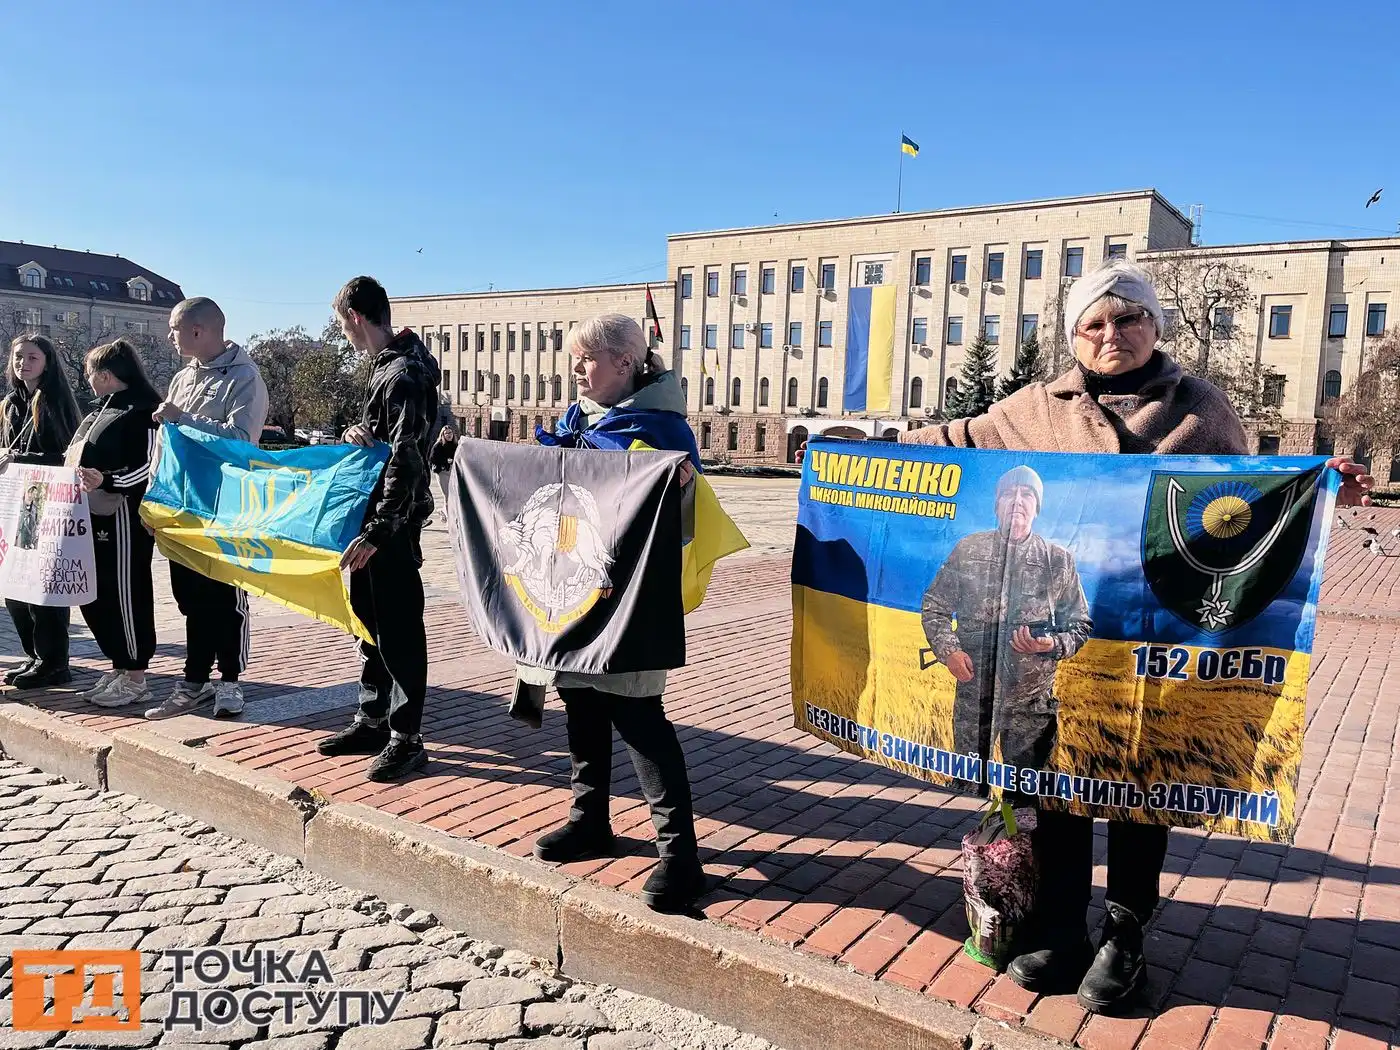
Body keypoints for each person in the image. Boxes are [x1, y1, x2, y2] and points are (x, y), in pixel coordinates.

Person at [898, 259, 1374, 1013]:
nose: (1112, 334)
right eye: (1094, 323)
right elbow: (954, 436)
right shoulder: (1032, 406)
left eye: (1129, 319)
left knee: (1136, 790)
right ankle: (1060, 927)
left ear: (1155, 326)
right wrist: (851, 449)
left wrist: (1321, 480)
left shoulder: (1199, 407)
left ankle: (1125, 939)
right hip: (1057, 647)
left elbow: (1249, 495)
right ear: (1074, 337)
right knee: (1057, 785)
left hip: (1155, 640)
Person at [530, 313, 707, 914]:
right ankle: (589, 820)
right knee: (580, 699)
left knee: (638, 716)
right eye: (575, 359)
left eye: (587, 359)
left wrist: (678, 482)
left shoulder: (661, 428)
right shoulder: (582, 421)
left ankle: (681, 858)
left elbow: (676, 504)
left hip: (632, 596)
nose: (576, 371)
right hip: (576, 588)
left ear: (625, 363)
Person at [317, 277, 438, 782]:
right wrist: (357, 435)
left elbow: (407, 458)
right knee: (370, 626)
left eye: (342, 325)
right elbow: (386, 447)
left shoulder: (406, 373)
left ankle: (407, 738)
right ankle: (373, 718)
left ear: (354, 318)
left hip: (388, 529)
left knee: (398, 631)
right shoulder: (387, 368)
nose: (343, 334)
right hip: (371, 521)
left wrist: (380, 531)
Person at [920, 465, 1091, 777]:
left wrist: (1052, 643)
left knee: (1026, 783)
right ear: (997, 504)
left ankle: (1015, 825)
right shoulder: (969, 549)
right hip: (976, 696)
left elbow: (1080, 624)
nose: (1017, 501)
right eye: (1009, 494)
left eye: (1026, 494)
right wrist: (950, 653)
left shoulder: (1058, 559)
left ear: (1036, 507)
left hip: (1032, 701)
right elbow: (935, 606)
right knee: (971, 778)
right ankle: (985, 825)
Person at [145, 297, 269, 720]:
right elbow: (165, 445)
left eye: (174, 328)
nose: (169, 336)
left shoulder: (245, 377)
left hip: (225, 505)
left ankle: (231, 681)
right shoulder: (182, 377)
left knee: (225, 596)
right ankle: (193, 681)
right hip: (182, 505)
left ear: (198, 330)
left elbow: (241, 440)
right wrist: (153, 500)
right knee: (190, 598)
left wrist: (184, 419)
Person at [67, 340, 161, 708]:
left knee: (126, 590)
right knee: (97, 590)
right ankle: (120, 665)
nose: (88, 381)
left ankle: (136, 673)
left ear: (106, 375)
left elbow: (147, 467)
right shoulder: (104, 409)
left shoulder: (143, 411)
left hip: (123, 515)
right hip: (90, 513)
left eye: (90, 374)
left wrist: (107, 480)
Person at [1, 335, 81, 688]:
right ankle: (34, 654)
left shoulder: (54, 400)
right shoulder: (10, 403)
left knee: (42, 588)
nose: (24, 364)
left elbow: (68, 456)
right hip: (14, 504)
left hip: (45, 506)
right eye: (19, 357)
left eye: (32, 357)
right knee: (14, 586)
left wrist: (17, 458)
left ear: (47, 362)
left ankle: (54, 662)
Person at [428, 424, 458, 524]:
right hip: (442, 473)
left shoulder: (455, 445)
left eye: (450, 433)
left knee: (454, 495)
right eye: (446, 434)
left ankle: (443, 511)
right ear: (442, 435)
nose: (449, 435)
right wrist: (445, 461)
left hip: (452, 472)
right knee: (447, 495)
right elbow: (432, 459)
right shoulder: (438, 446)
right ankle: (450, 519)